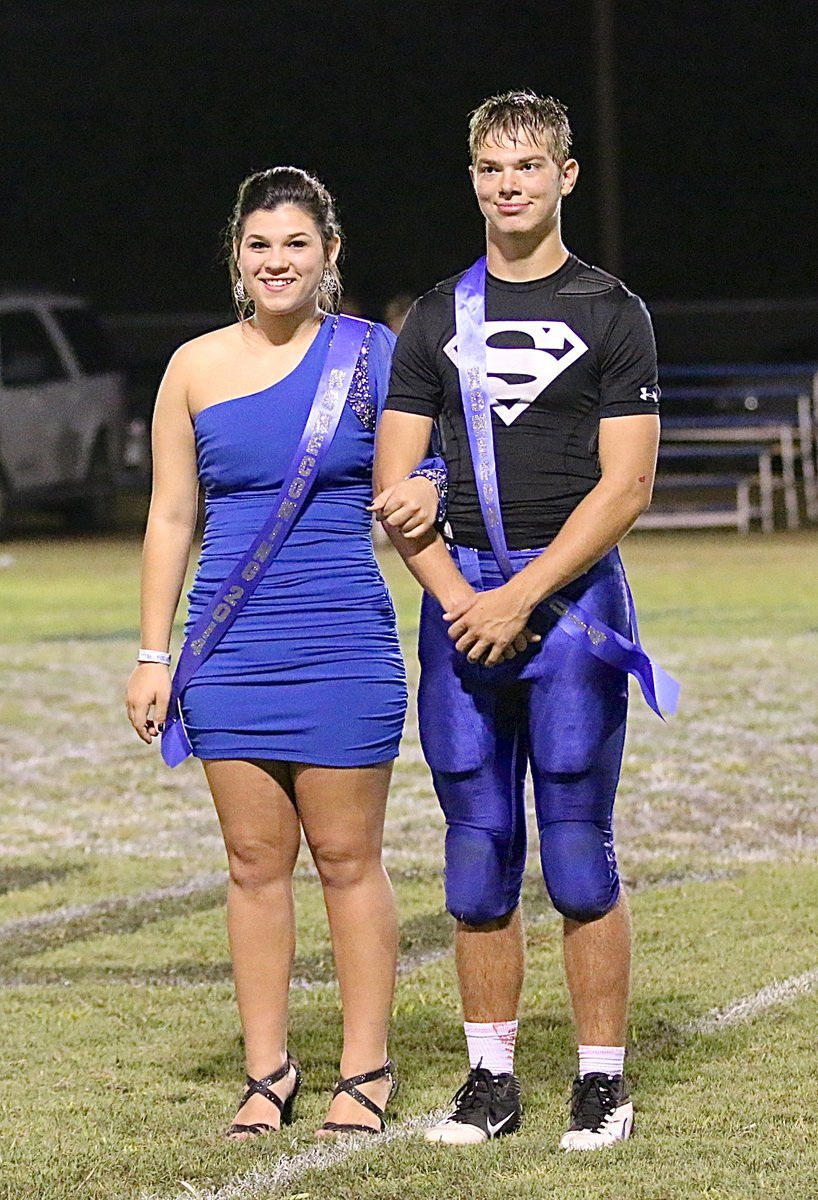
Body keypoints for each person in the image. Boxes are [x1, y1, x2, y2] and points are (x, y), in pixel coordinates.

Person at [373, 90, 671, 1150]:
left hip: (570, 609)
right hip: (463, 610)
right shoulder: (430, 322)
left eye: (528, 167)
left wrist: (519, 595)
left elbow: (624, 487)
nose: (509, 185)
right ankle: (488, 1080)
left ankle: (599, 1080)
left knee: (578, 855)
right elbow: (393, 486)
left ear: (564, 178)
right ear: (473, 181)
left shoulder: (610, 311)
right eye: (492, 169)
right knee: (476, 848)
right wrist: (462, 600)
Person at [125, 166, 438, 1140]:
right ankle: (266, 1073)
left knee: (348, 859)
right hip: (228, 650)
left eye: (295, 243)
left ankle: (365, 1068)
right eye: (259, 245)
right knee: (253, 864)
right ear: (236, 258)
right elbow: (171, 516)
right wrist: (151, 653)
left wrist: (428, 480)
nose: (276, 261)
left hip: (342, 638)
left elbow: (431, 459)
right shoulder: (192, 367)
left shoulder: (371, 355)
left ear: (328, 254)